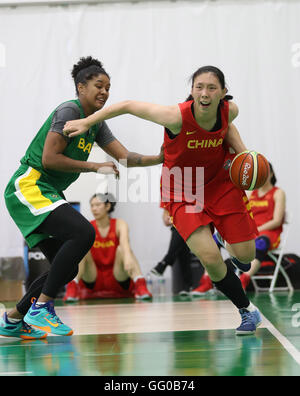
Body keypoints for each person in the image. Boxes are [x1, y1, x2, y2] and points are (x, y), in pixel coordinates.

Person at [63, 65, 264, 335]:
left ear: (223, 93)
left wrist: (244, 155)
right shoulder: (175, 116)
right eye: (199, 87)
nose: (204, 93)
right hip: (182, 188)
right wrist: (87, 121)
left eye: (212, 88)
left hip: (221, 184)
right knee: (210, 259)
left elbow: (228, 126)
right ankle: (246, 310)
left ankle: (227, 241)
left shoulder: (231, 110)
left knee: (247, 257)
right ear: (191, 91)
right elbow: (128, 105)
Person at [0, 56, 162, 340]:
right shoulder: (69, 111)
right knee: (84, 232)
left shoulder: (96, 124)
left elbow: (125, 157)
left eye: (108, 87)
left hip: (45, 190)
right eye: (98, 85)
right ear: (80, 87)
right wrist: (94, 166)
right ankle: (42, 308)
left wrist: (160, 157)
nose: (105, 92)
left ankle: (13, 319)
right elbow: (49, 159)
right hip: (30, 185)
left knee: (67, 267)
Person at [64, 193, 152, 301]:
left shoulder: (120, 224)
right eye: (92, 205)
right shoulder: (88, 227)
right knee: (82, 251)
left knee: (123, 249)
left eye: (97, 205)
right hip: (93, 277)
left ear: (108, 206)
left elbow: (125, 243)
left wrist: (128, 256)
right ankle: (72, 287)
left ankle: (140, 285)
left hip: (117, 276)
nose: (94, 209)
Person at [239, 163, 286, 290]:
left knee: (260, 242)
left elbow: (276, 221)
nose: (262, 177)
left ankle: (244, 278)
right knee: (217, 239)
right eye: (259, 174)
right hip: (252, 233)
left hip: (269, 234)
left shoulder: (278, 193)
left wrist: (257, 229)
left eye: (265, 173)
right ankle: (208, 280)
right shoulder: (251, 193)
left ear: (271, 174)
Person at [150, 208, 194, 295]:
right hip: (181, 227)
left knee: (179, 230)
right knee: (182, 248)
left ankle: (165, 262)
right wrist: (174, 218)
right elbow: (166, 220)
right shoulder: (168, 197)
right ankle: (188, 285)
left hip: (196, 225)